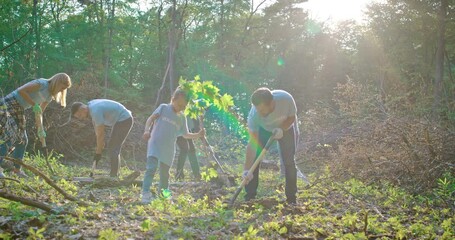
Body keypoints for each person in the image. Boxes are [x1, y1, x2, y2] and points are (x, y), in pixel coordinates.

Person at [0, 73, 72, 178]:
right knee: (10, 136)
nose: (61, 91)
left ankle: (16, 170)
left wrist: (40, 129)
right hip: (9, 104)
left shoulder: (49, 96)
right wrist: (34, 104)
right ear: (58, 82)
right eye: (62, 88)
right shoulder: (41, 83)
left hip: (20, 109)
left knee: (23, 140)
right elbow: (21, 90)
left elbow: (39, 113)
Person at [141, 88, 205, 204]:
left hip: (169, 148)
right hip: (155, 143)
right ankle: (145, 193)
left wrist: (198, 135)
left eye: (184, 106)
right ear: (173, 99)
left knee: (165, 174)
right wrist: (146, 130)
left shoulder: (182, 117)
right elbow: (151, 119)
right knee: (151, 168)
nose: (181, 108)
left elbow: (185, 134)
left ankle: (164, 196)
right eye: (179, 104)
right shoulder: (163, 108)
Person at [242, 87, 300, 204]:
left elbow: (291, 117)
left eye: (263, 110)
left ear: (272, 103)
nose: (260, 113)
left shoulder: (286, 99)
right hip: (263, 130)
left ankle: (291, 198)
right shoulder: (254, 116)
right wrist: (247, 169)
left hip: (285, 127)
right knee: (255, 160)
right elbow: (252, 144)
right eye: (258, 110)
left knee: (289, 161)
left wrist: (281, 129)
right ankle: (250, 197)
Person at [70, 99, 133, 178]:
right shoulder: (91, 106)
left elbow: (101, 133)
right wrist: (99, 145)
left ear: (83, 109)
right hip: (121, 120)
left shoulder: (95, 111)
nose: (81, 118)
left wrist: (98, 151)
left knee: (113, 147)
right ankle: (114, 174)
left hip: (124, 119)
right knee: (113, 147)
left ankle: (114, 176)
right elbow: (97, 128)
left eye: (79, 115)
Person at [175, 117, 201, 181]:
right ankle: (179, 174)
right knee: (184, 149)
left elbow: (196, 123)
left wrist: (199, 133)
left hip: (187, 130)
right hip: (178, 129)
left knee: (192, 150)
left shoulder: (196, 112)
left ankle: (197, 174)